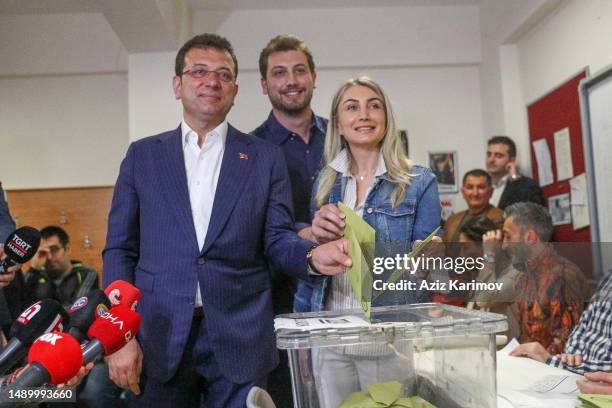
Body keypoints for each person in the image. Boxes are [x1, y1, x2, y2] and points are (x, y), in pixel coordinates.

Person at [102, 33, 350, 408]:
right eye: (199, 71)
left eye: (223, 74)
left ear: (235, 90)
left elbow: (278, 238)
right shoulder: (143, 157)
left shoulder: (264, 158)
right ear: (177, 85)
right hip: (159, 335)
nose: (211, 81)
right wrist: (119, 336)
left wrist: (312, 257)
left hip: (241, 336)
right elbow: (120, 249)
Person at [293, 76, 441, 407]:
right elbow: (307, 248)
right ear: (338, 124)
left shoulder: (419, 181)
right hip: (329, 337)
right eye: (352, 107)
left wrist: (432, 256)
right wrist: (313, 235)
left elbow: (429, 266)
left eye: (374, 106)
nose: (364, 115)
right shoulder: (324, 183)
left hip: (387, 339)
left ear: (386, 118)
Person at [250, 34, 326, 408]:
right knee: (290, 394)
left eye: (299, 70)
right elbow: (250, 226)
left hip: (346, 291)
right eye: (279, 73)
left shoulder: (343, 137)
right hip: (278, 297)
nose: (291, 80)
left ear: (314, 76)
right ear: (264, 84)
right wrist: (304, 232)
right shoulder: (248, 150)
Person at [486, 202, 588, 355]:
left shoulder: (563, 276)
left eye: (508, 236)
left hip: (554, 372)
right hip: (529, 366)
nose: (504, 245)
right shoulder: (523, 276)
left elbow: (567, 348)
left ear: (529, 237)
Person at [509, 270, 611, 375]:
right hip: (568, 372)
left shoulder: (563, 276)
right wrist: (571, 359)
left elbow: (563, 335)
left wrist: (549, 360)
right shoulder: (609, 278)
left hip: (592, 381)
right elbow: (583, 325)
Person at [24, 226, 99, 310]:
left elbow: (77, 309)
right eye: (43, 252)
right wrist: (33, 269)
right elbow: (20, 304)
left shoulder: (86, 273)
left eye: (54, 249)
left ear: (67, 249)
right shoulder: (36, 274)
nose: (49, 257)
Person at [443, 169, 504, 244]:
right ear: (463, 192)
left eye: (481, 187)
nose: (475, 193)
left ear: (491, 192)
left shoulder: (502, 219)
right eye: (470, 187)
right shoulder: (452, 221)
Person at [486, 136, 545, 210]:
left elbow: (529, 215)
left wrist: (514, 179)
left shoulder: (528, 186)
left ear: (511, 160)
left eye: (498, 156)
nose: (491, 160)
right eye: (489, 155)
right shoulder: (483, 187)